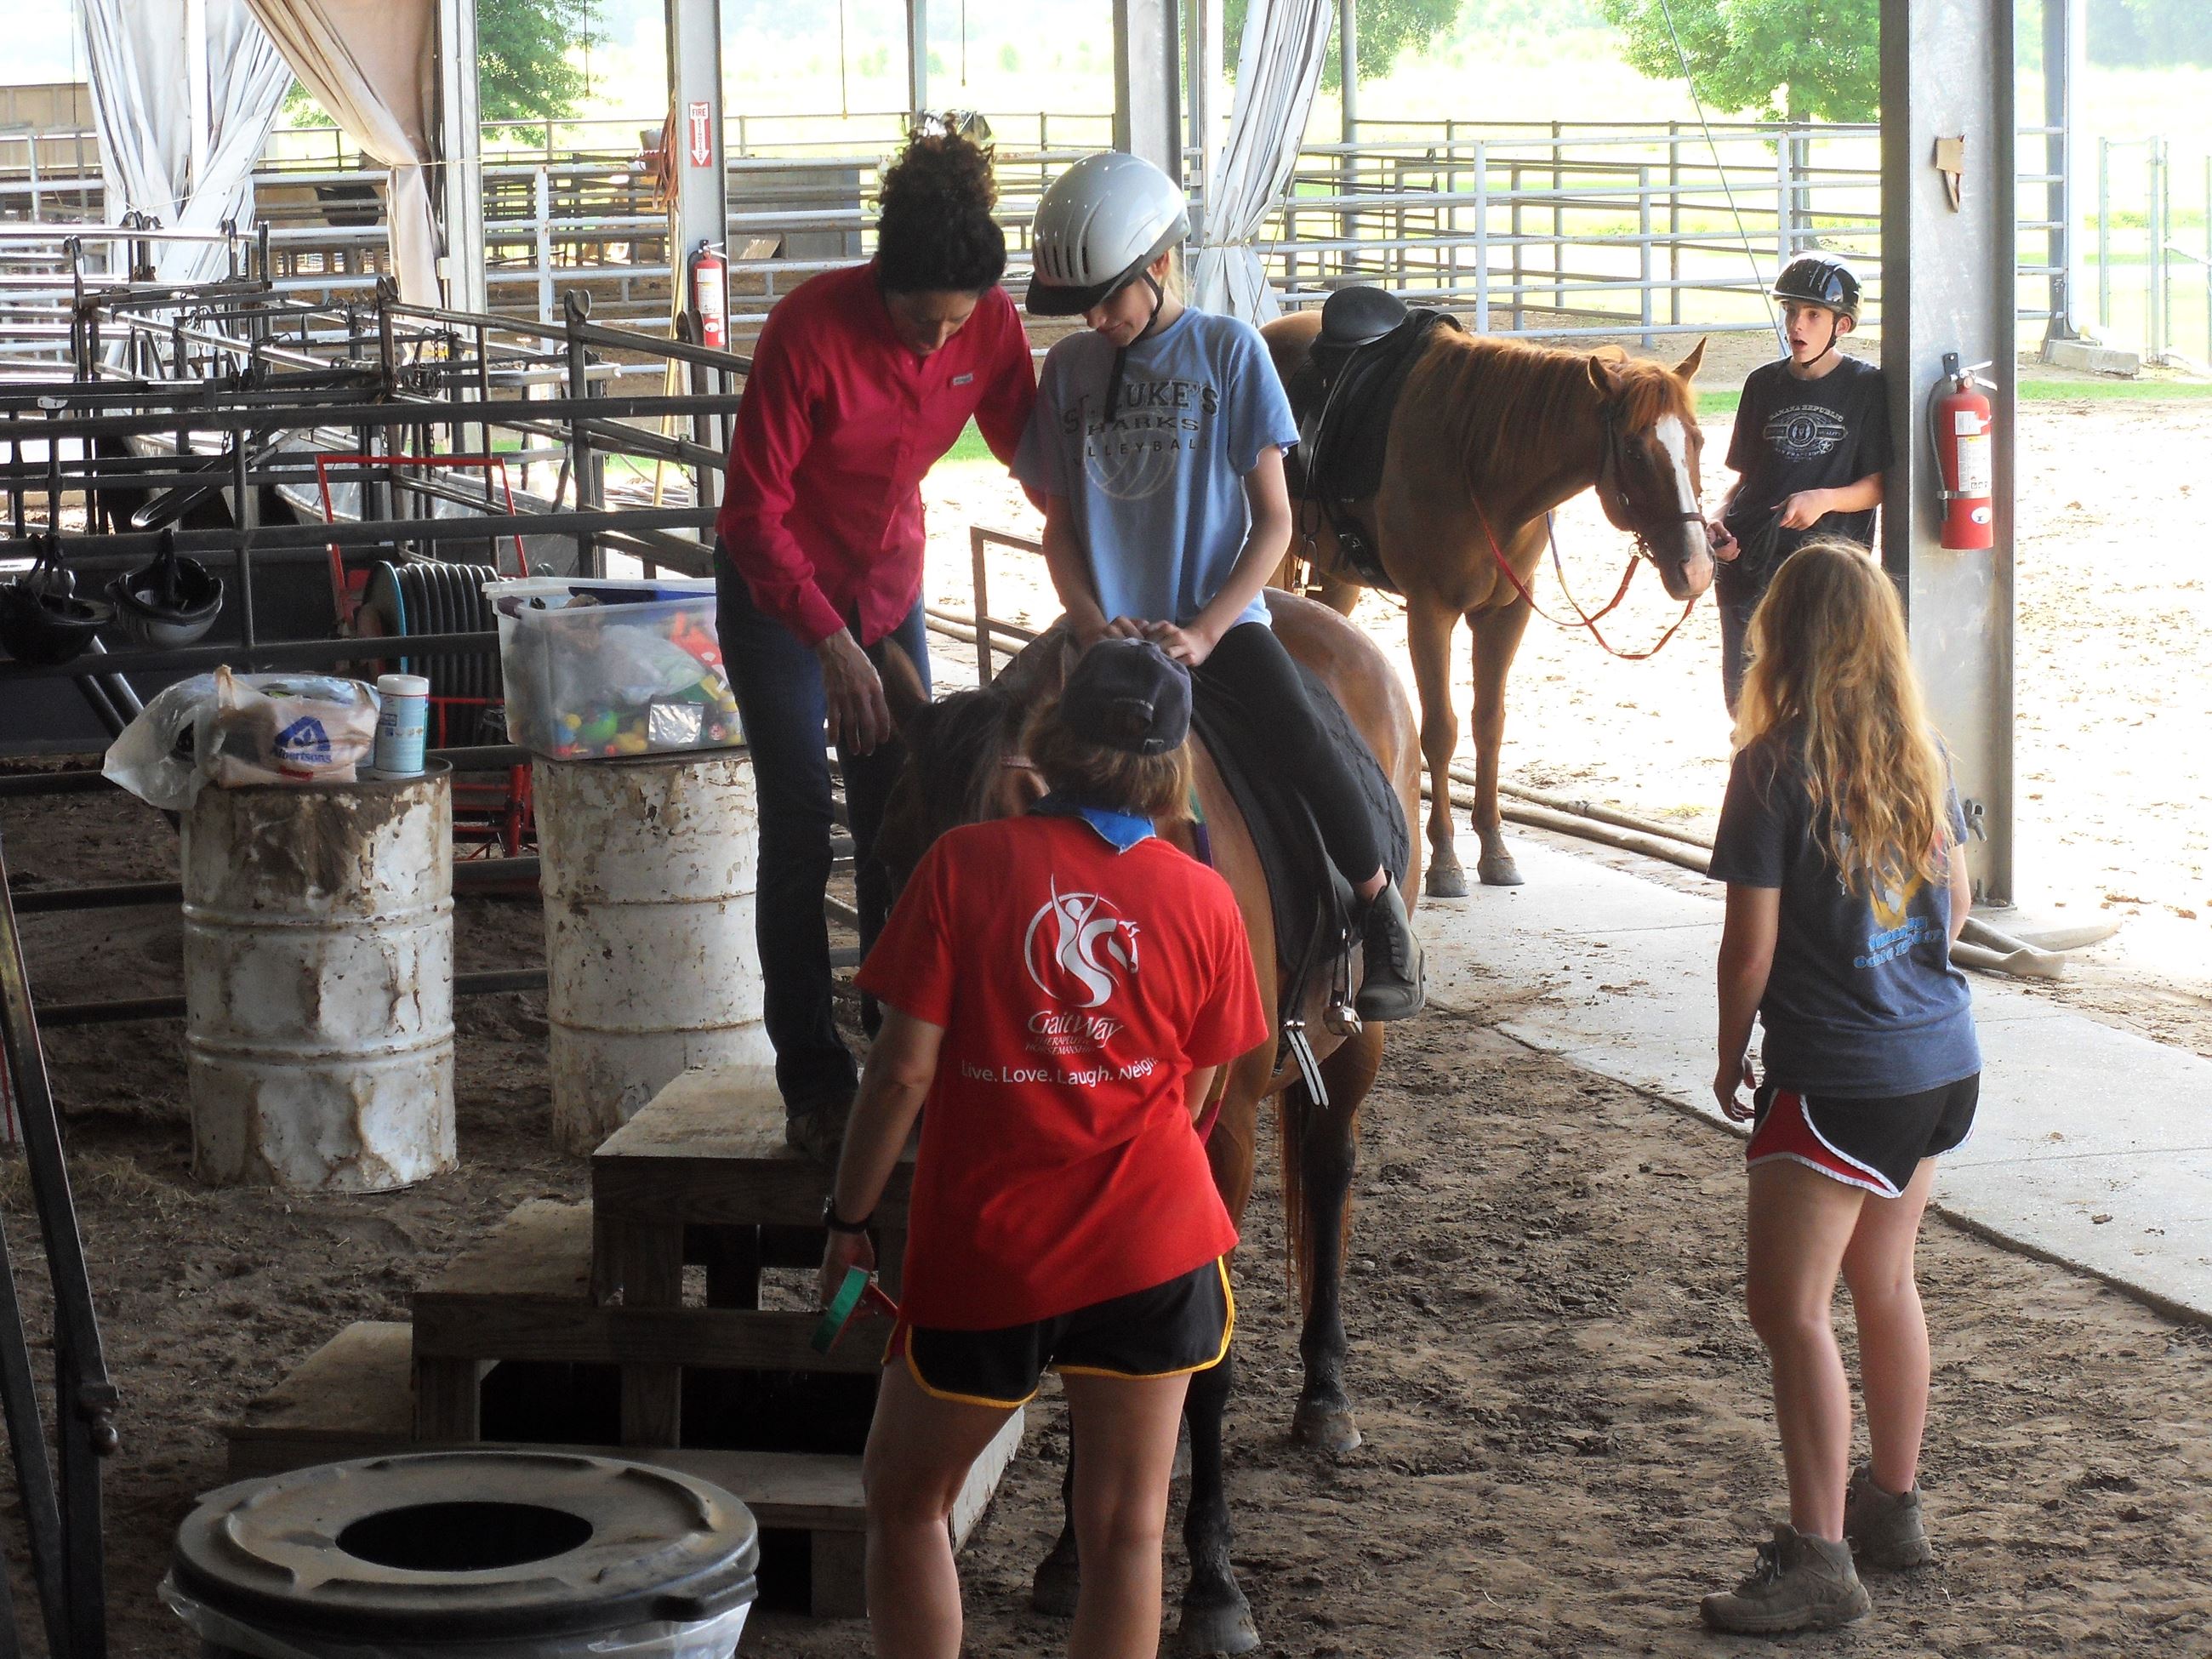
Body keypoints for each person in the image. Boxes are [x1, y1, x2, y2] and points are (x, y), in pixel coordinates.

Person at [818, 638, 1268, 1659]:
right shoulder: (1205, 898)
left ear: (1051, 741)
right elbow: (1199, 1083)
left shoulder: (962, 866)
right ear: (1171, 766)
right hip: (1154, 1244)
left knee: (904, 1498)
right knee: (1126, 1533)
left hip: (991, 1249)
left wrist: (849, 1218)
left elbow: (898, 1074)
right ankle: (1374, 914)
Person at [1012, 150, 1423, 1023]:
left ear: (1160, 265)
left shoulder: (1228, 352)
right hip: (1103, 631)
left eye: (1107, 296)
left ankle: (1377, 904)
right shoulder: (1070, 371)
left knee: (1299, 730)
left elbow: (1271, 521)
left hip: (1216, 621)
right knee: (996, 738)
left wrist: (1202, 632)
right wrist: (1088, 625)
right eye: (1079, 304)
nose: (1092, 316)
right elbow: (1057, 527)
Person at [715, 124, 1036, 1157]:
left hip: (888, 583)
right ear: (881, 282)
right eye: (920, 320)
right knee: (802, 825)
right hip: (778, 597)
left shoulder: (986, 327)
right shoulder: (805, 330)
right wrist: (828, 642)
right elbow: (750, 516)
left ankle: (908, 1047)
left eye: (955, 325)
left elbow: (1038, 455)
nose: (937, 343)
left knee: (913, 806)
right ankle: (812, 1079)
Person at [1702, 539, 1982, 1634]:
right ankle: (1892, 1509)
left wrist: (1731, 1054)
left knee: (1786, 1308)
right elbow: (1952, 907)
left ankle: (1819, 1554)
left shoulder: (1768, 768)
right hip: (1936, 1062)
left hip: (1837, 1075)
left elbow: (1747, 951)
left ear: (1781, 637)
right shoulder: (1923, 754)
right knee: (1884, 1280)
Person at [1705, 256, 1891, 713]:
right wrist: (1716, 520)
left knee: (1818, 697)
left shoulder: (1865, 387)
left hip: (1822, 569)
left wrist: (1823, 500)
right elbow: (1744, 481)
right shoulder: (1761, 384)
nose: (1797, 325)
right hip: (1749, 560)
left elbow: (1879, 485)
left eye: (1812, 314)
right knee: (1746, 699)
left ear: (1841, 325)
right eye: (1791, 311)